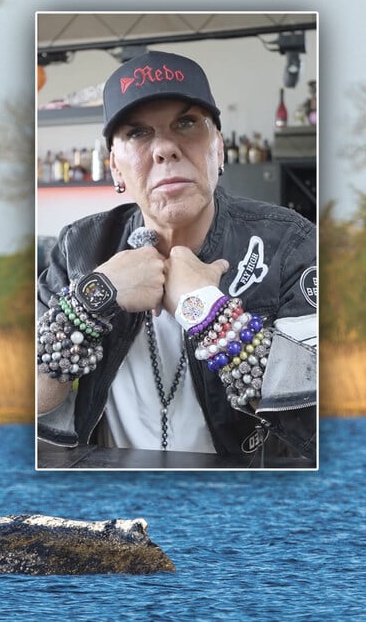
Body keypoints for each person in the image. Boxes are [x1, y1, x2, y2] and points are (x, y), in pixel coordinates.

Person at [36, 50, 317, 463]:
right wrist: (93, 298)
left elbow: (315, 423)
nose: (166, 148)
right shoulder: (79, 247)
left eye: (186, 124)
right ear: (115, 167)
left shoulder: (287, 242)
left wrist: (209, 314)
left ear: (218, 148)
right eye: (138, 133)